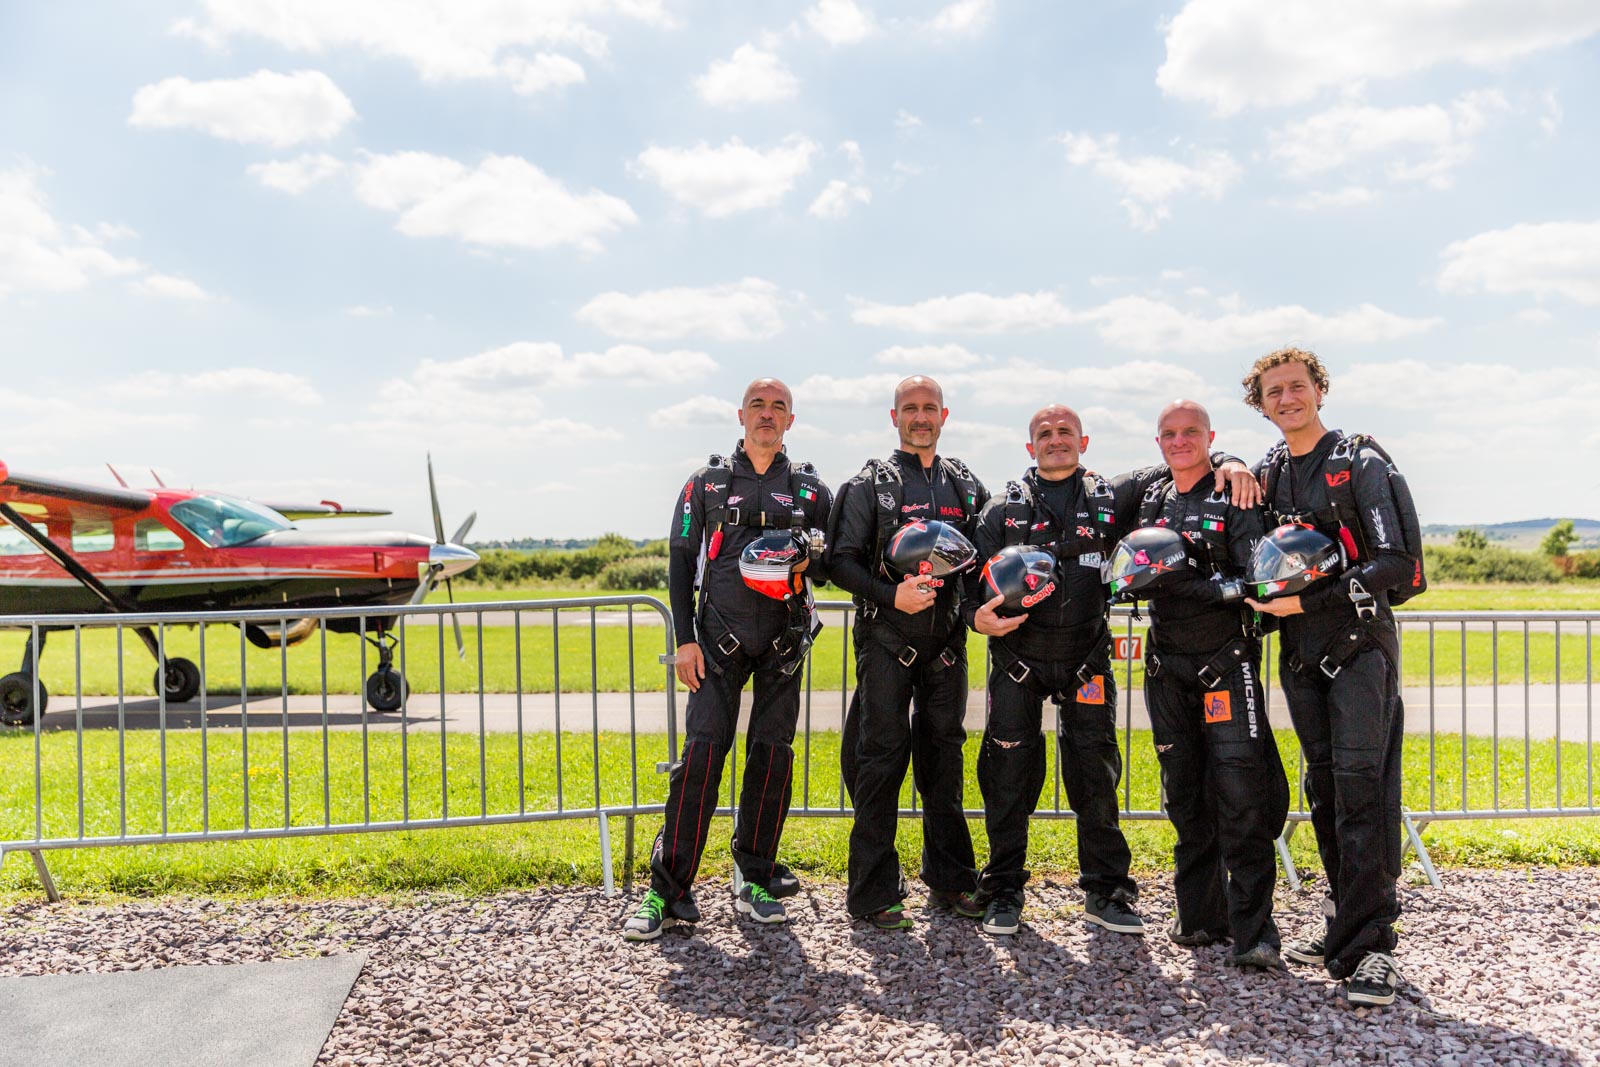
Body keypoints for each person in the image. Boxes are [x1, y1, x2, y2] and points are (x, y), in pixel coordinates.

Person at [963, 404, 1259, 937]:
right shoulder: (1001, 508)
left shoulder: (1114, 495)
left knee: (1096, 777)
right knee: (1007, 777)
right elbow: (970, 588)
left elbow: (1183, 460)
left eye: (1066, 432)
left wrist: (1232, 461)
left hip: (1087, 660)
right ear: (1030, 446)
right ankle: (1003, 889)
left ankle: (1107, 891)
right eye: (1045, 434)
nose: (1056, 440)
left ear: (1084, 441)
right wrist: (974, 618)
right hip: (1016, 662)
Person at [623, 378, 833, 941]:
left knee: (771, 759)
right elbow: (679, 562)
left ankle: (755, 877)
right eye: (757, 405)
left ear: (791, 420)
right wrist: (685, 639)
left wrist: (808, 556)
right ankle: (668, 889)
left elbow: (834, 561)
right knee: (700, 759)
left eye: (778, 407)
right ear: (741, 415)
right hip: (715, 644)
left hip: (784, 645)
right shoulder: (706, 484)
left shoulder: (811, 489)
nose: (767, 414)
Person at [1243, 347, 1417, 1006]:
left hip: (1360, 649)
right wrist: (1229, 463)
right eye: (1273, 392)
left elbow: (1397, 563)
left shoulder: (1359, 462)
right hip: (1300, 656)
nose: (1287, 398)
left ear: (1319, 389)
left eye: (1296, 386)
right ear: (1260, 405)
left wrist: (1307, 605)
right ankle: (1347, 926)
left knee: (1362, 790)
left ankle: (1374, 948)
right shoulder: (1267, 470)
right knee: (1325, 790)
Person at [1124, 399, 1289, 969]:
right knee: (1184, 795)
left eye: (1190, 432)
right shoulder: (1152, 497)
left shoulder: (1235, 494)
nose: (1180, 441)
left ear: (1210, 437)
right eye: (1169, 433)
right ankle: (1198, 917)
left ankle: (1255, 933)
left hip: (1226, 664)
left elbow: (1258, 580)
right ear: (1158, 442)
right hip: (1166, 668)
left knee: (1242, 796)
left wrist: (1189, 584)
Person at [828, 375, 988, 930]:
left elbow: (983, 563)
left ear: (944, 415)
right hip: (885, 642)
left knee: (944, 763)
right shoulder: (869, 484)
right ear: (894, 416)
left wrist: (977, 612)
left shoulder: (966, 485)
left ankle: (951, 880)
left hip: (947, 647)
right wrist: (890, 594)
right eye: (910, 408)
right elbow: (839, 562)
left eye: (930, 408)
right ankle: (873, 891)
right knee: (880, 762)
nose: (921, 417)